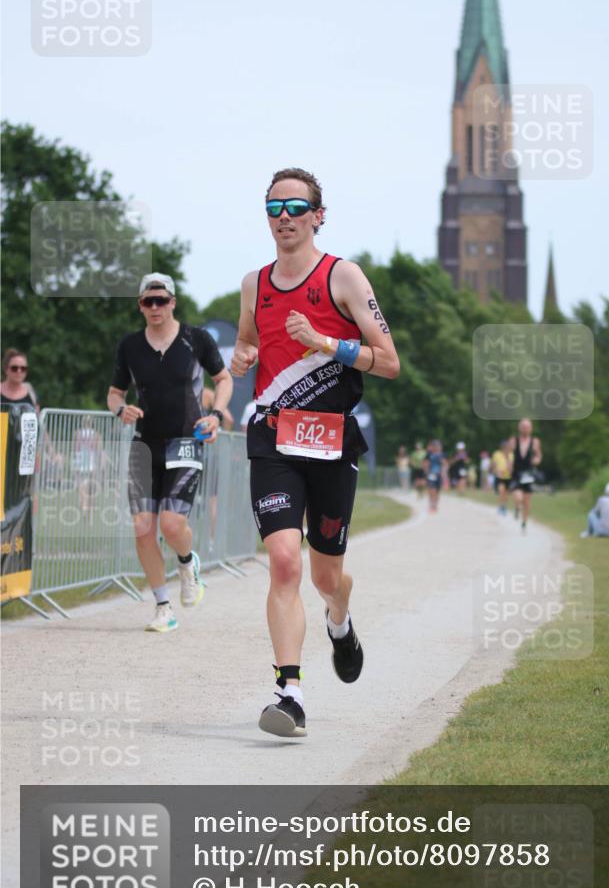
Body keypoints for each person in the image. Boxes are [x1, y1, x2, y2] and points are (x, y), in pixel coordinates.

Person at [231, 167, 400, 738]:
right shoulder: (254, 283)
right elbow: (250, 338)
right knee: (284, 560)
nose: (284, 219)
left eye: (295, 208)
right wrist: (242, 358)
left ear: (318, 215)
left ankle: (340, 620)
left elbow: (391, 362)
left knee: (329, 577)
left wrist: (326, 343)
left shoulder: (343, 276)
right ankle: (290, 694)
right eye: (273, 208)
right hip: (273, 437)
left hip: (330, 441)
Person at [107, 272, 233, 631]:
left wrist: (216, 415)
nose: (155, 307)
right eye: (149, 301)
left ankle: (187, 561)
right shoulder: (130, 346)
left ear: (173, 302)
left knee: (172, 522)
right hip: (145, 444)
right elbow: (115, 392)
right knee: (142, 527)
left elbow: (223, 379)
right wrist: (120, 409)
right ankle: (163, 605)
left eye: (161, 300)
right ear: (140, 306)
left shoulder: (196, 339)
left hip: (186, 440)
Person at [510, 418, 543, 532]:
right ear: (519, 428)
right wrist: (508, 464)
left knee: (527, 500)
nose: (525, 429)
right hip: (516, 473)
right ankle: (517, 507)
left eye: (527, 427)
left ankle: (524, 522)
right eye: (523, 426)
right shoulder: (514, 441)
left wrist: (536, 461)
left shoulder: (535, 441)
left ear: (531, 428)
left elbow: (538, 455)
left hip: (528, 474)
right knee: (518, 497)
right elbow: (508, 454)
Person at [491, 438, 513, 514]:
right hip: (499, 477)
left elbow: (511, 467)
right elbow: (493, 466)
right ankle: (500, 506)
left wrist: (507, 459)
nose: (505, 448)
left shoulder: (511, 455)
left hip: (508, 477)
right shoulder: (496, 454)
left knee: (506, 493)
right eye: (504, 446)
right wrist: (496, 472)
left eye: (506, 446)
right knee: (501, 491)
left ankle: (504, 506)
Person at [423, 439, 447, 512]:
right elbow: (425, 464)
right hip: (431, 474)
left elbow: (445, 464)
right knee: (432, 490)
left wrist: (444, 474)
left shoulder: (441, 455)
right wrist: (426, 473)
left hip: (439, 475)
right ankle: (432, 505)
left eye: (438, 446)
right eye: (435, 446)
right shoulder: (429, 454)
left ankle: (435, 505)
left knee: (437, 491)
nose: (436, 447)